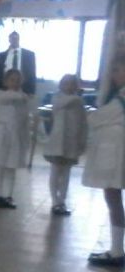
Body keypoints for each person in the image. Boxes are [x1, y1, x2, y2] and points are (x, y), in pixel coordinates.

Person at [84, 57, 125, 267]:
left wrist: (92, 113)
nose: (113, 75)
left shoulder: (120, 100)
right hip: (116, 153)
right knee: (114, 198)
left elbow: (96, 119)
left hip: (117, 155)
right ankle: (117, 248)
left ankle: (117, 250)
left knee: (113, 198)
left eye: (117, 70)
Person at [0, 69, 30, 210]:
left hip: (16, 136)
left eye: (18, 80)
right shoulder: (0, 94)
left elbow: (25, 117)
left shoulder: (23, 97)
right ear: (6, 81)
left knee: (11, 167)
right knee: (0, 166)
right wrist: (22, 96)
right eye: (12, 80)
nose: (15, 83)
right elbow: (9, 98)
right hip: (2, 135)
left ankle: (8, 195)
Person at [44, 74, 87, 217]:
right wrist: (76, 98)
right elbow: (58, 107)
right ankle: (55, 201)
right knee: (55, 171)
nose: (69, 86)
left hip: (71, 142)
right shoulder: (57, 99)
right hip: (57, 142)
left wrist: (82, 141)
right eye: (66, 83)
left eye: (72, 84)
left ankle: (62, 200)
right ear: (61, 85)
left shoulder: (79, 102)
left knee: (66, 173)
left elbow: (82, 123)